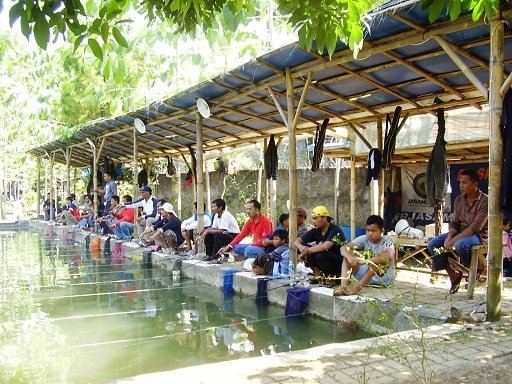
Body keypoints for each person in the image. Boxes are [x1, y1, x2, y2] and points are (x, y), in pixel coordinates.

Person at [427, 169, 488, 294]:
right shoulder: (459, 199)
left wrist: (454, 240)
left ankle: (478, 268)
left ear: (475, 184)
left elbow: (475, 228)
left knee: (460, 244)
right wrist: (449, 237)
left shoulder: (485, 200)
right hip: (461, 232)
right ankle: (454, 275)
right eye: (460, 182)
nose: (461, 185)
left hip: (479, 235)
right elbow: (455, 223)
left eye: (465, 183)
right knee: (433, 244)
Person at [334, 215, 395, 296]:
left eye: (373, 231)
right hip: (365, 275)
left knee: (381, 260)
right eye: (368, 230)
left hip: (382, 279)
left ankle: (358, 287)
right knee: (347, 255)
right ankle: (343, 286)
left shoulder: (387, 241)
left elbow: (389, 256)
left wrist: (364, 261)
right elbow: (343, 248)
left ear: (382, 231)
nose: (370, 234)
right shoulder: (364, 238)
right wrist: (350, 258)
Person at [294, 205, 345, 286]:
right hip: (325, 262)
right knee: (301, 247)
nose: (313, 221)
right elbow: (297, 241)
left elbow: (325, 246)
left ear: (324, 218)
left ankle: (332, 278)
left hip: (340, 264)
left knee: (320, 254)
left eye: (315, 218)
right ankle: (318, 275)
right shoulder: (316, 230)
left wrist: (305, 251)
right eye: (313, 219)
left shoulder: (335, 230)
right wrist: (301, 248)